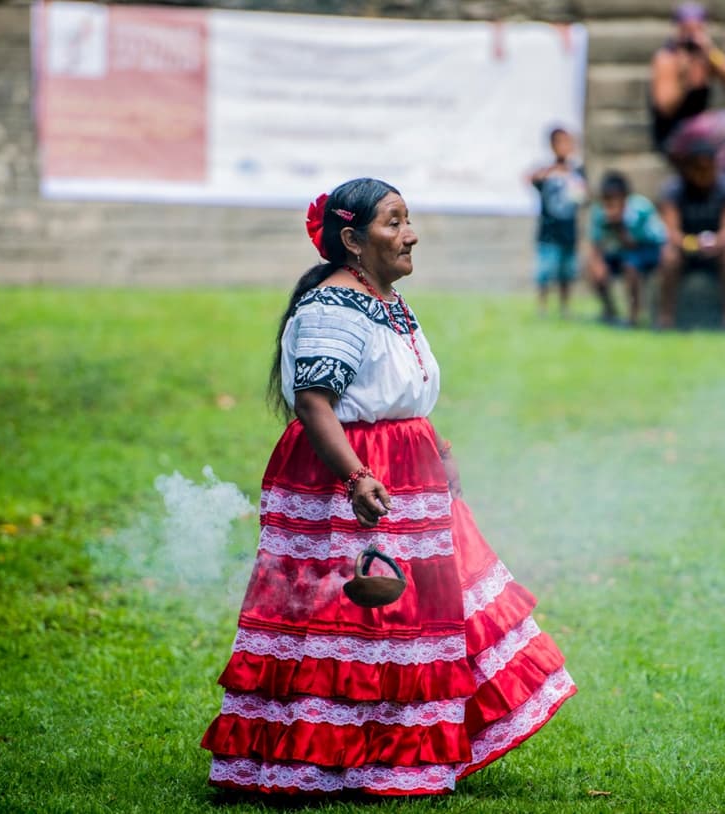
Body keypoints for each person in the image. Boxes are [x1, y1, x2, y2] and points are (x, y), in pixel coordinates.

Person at [200, 178, 576, 797]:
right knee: (356, 613)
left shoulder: (383, 299)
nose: (411, 234)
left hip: (403, 469)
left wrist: (434, 449)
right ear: (352, 240)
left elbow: (393, 387)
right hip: (356, 473)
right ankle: (326, 761)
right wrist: (355, 477)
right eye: (394, 223)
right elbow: (315, 402)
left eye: (408, 220)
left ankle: (395, 756)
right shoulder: (333, 306)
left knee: (411, 616)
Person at [656, 144, 725, 330]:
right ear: (689, 168)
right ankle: (666, 318)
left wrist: (715, 244)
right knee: (668, 257)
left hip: (716, 249)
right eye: (699, 168)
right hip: (685, 249)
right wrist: (692, 244)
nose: (704, 174)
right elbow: (671, 232)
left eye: (709, 168)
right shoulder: (674, 190)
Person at [649, 2, 725, 152]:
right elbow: (666, 109)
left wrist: (711, 52)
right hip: (673, 134)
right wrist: (683, 79)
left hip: (700, 132)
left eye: (697, 29)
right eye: (687, 30)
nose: (692, 36)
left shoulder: (707, 56)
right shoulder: (667, 59)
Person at [586, 171, 667, 325]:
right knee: (592, 268)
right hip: (619, 252)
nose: (610, 204)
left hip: (646, 250)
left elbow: (634, 243)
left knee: (631, 267)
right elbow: (595, 242)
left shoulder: (640, 208)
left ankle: (633, 316)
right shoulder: (599, 211)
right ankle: (609, 311)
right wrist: (597, 263)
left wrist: (619, 224)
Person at [529, 127, 586, 317]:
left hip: (568, 231)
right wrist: (553, 172)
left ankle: (565, 307)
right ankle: (542, 307)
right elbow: (530, 179)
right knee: (545, 273)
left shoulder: (577, 172)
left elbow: (584, 196)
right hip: (548, 231)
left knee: (567, 273)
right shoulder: (547, 172)